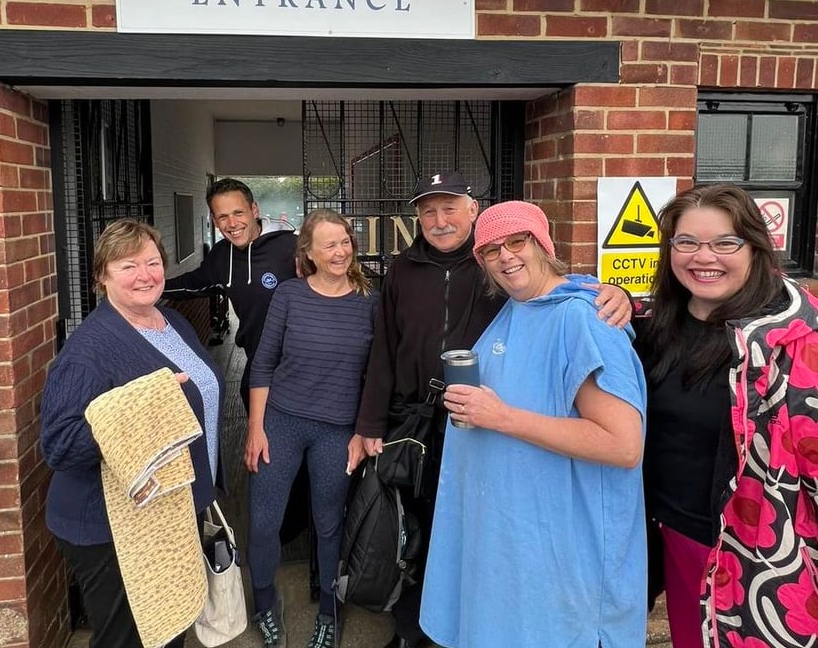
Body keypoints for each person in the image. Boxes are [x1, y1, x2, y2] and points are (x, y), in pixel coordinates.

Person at [353, 172, 634, 648]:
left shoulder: (499, 269)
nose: (440, 221)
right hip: (418, 418)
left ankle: (461, 623)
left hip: (484, 425)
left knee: (471, 526)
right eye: (428, 212)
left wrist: (612, 293)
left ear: (472, 210)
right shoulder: (404, 269)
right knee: (419, 524)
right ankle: (417, 628)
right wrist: (370, 422)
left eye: (449, 209)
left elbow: (557, 291)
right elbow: (385, 346)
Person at [418, 200, 648, 648]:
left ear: (543, 244)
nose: (505, 256)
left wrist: (501, 417)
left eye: (517, 241)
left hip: (563, 556)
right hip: (515, 547)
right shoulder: (518, 308)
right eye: (491, 249)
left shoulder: (583, 319)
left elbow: (622, 444)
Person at [636, 183, 818, 648]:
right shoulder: (659, 325)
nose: (704, 257)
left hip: (764, 551)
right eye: (687, 242)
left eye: (724, 243)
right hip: (679, 535)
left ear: (755, 247)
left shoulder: (796, 340)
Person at [40, 219, 225, 648]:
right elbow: (59, 445)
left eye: (153, 262)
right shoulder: (89, 351)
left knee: (170, 626)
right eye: (128, 266)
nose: (145, 275)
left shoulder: (172, 321)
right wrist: (140, 406)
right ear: (102, 276)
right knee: (130, 639)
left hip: (168, 512)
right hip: (111, 528)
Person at [245, 210, 378, 648]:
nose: (340, 252)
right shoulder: (289, 295)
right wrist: (255, 427)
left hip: (337, 429)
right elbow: (263, 364)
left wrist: (362, 430)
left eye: (345, 242)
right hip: (281, 421)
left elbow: (376, 375)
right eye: (329, 245)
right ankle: (264, 603)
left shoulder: (369, 301)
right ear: (309, 253)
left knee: (329, 523)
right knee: (264, 521)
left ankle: (329, 611)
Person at [163, 177, 297, 410]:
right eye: (223, 216)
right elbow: (194, 283)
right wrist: (152, 288)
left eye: (238, 212)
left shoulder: (293, 247)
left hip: (301, 362)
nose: (232, 223)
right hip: (258, 362)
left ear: (254, 210)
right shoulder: (221, 256)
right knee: (258, 419)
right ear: (214, 221)